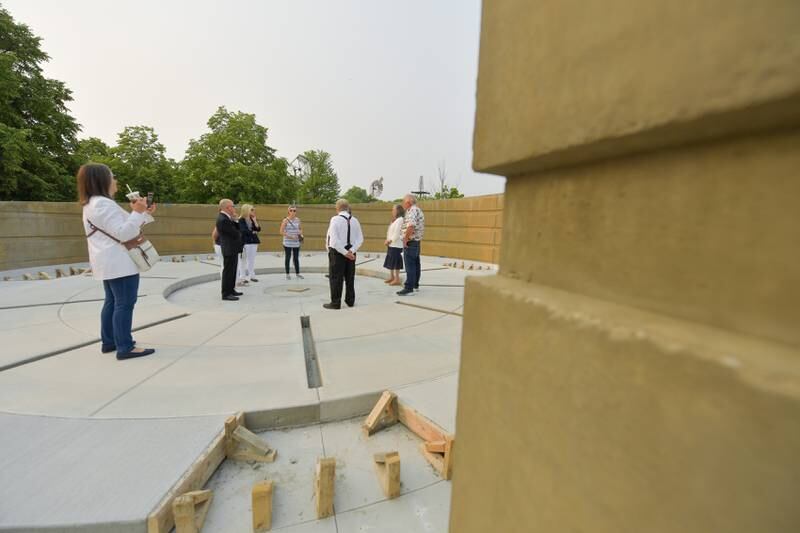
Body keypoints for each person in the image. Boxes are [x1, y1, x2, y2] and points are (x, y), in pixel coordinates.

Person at [78, 163, 156, 360]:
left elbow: (121, 227)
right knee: (124, 303)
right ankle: (125, 346)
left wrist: (143, 213)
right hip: (119, 261)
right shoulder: (103, 204)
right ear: (102, 180)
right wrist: (138, 212)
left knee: (113, 302)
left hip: (108, 261)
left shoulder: (93, 203)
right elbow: (123, 233)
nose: (115, 181)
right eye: (112, 176)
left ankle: (110, 341)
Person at [324, 199, 364, 309]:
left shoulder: (335, 219)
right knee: (350, 277)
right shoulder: (355, 220)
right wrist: (352, 251)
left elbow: (334, 241)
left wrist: (345, 253)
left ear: (337, 208)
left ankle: (335, 303)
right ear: (347, 208)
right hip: (351, 252)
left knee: (336, 278)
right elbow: (360, 239)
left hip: (338, 253)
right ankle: (350, 301)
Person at [397, 194, 425, 296]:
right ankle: (415, 285)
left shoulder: (412, 210)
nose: (403, 204)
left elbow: (411, 225)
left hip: (411, 242)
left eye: (403, 202)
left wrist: (405, 239)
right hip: (416, 241)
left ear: (408, 202)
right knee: (416, 264)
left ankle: (409, 288)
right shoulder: (418, 210)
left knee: (410, 266)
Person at [216, 199, 244, 301]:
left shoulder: (227, 218)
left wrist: (235, 220)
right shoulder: (223, 219)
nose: (234, 208)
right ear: (227, 207)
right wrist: (236, 223)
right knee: (228, 271)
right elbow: (236, 233)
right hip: (229, 248)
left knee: (233, 271)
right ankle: (226, 293)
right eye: (233, 206)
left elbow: (236, 231)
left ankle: (231, 290)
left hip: (233, 248)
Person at [238, 204, 261, 283]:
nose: (253, 211)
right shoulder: (241, 219)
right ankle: (242, 277)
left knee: (252, 260)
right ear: (246, 210)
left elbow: (258, 229)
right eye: (251, 210)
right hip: (245, 242)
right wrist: (253, 232)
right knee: (243, 260)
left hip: (253, 242)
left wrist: (255, 221)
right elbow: (244, 231)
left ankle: (252, 276)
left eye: (253, 210)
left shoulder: (252, 219)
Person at [383, 204, 405, 285]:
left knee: (396, 262)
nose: (392, 211)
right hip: (391, 244)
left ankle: (397, 279)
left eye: (393, 210)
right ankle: (392, 277)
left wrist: (389, 241)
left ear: (398, 211)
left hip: (396, 244)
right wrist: (388, 240)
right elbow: (390, 231)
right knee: (391, 261)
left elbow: (397, 233)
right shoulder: (395, 220)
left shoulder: (400, 220)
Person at [280, 205, 304, 280]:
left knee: (296, 258)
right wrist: (290, 236)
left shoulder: (298, 220)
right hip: (287, 242)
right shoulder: (285, 220)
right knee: (288, 257)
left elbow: (300, 229)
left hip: (296, 242)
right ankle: (287, 274)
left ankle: (298, 273)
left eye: (294, 210)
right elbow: (281, 231)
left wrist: (300, 234)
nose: (293, 212)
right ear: (288, 211)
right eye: (291, 210)